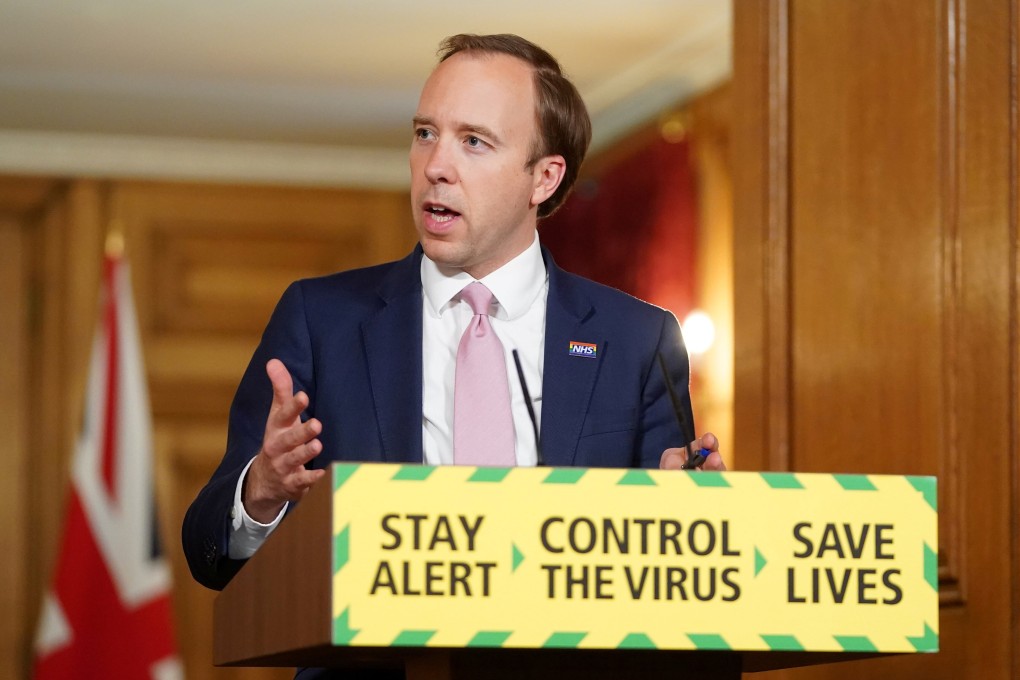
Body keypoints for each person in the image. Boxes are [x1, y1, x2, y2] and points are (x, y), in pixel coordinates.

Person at [182, 33, 725, 597]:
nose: (436, 165)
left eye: (474, 141)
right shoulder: (322, 321)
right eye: (425, 134)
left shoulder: (637, 340)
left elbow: (676, 574)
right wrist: (261, 492)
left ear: (544, 177)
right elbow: (207, 553)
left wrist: (695, 518)